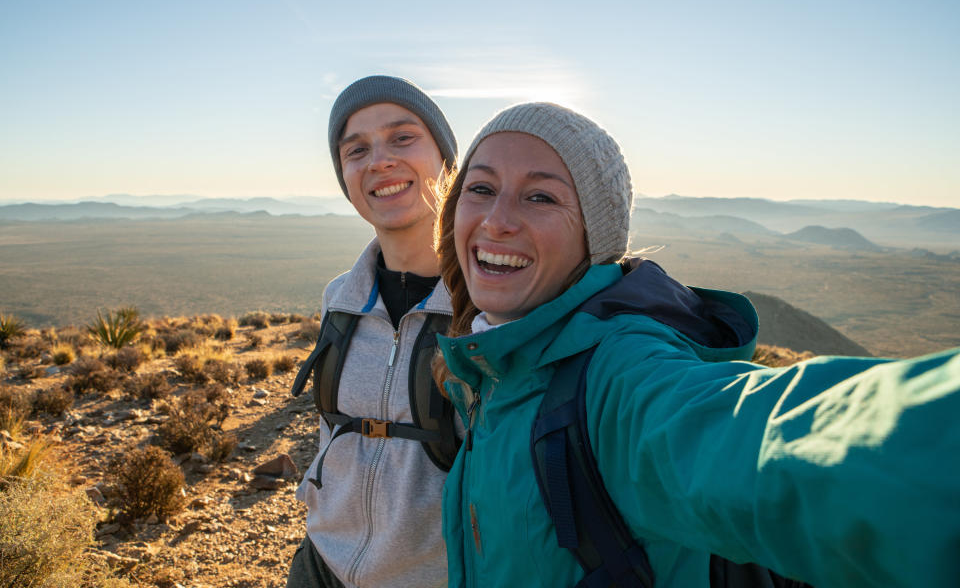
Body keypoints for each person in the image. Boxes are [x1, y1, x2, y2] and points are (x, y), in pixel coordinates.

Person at [431, 101, 960, 587]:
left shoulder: (617, 378)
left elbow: (775, 442)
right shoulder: (495, 365)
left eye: (540, 196)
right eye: (480, 188)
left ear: (596, 239)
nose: (496, 220)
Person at [287, 75, 459, 588]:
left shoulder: (488, 307)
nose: (379, 160)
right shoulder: (340, 298)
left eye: (403, 138)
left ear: (447, 161)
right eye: (356, 149)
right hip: (322, 565)